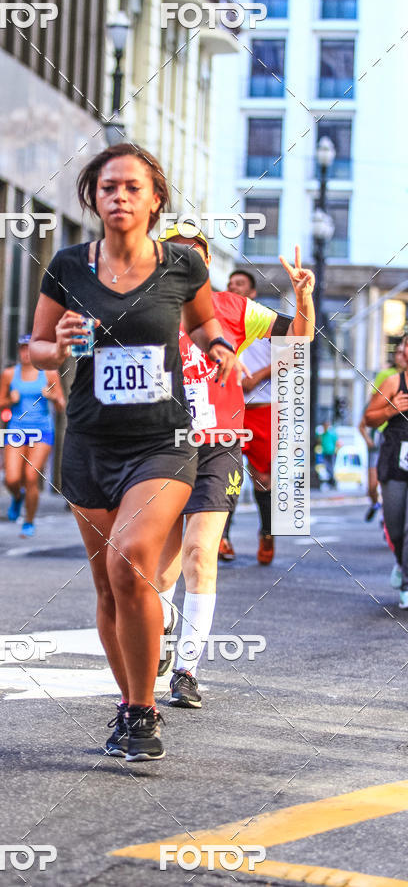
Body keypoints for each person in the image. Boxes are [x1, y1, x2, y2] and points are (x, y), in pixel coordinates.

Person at [29, 143, 244, 761]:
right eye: (107, 188)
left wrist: (222, 349)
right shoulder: (69, 266)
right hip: (91, 444)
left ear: (155, 199)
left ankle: (144, 711)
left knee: (130, 561)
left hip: (163, 443)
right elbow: (36, 347)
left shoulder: (182, 266)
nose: (118, 197)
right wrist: (59, 344)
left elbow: (206, 326)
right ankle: (129, 703)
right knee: (107, 586)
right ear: (92, 199)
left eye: (131, 187)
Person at [155, 231, 315, 708]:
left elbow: (297, 340)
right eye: (176, 256)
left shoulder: (235, 308)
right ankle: (161, 627)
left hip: (219, 447)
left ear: (208, 265)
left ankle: (186, 670)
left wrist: (303, 296)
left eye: (196, 258)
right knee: (160, 571)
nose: (186, 264)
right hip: (161, 447)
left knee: (200, 555)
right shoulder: (144, 306)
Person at [221, 270, 276, 564]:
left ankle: (267, 532)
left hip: (261, 408)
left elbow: (294, 353)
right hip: (229, 408)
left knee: (262, 478)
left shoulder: (264, 319)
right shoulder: (217, 318)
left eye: (240, 285)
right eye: (230, 285)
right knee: (226, 472)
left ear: (253, 293)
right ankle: (222, 537)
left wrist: (258, 376)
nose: (233, 288)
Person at [0, 334, 65, 537]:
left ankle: (29, 521)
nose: (26, 353)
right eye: (22, 349)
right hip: (16, 429)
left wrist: (52, 396)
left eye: (29, 349)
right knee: (11, 478)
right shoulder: (9, 374)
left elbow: (61, 405)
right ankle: (18, 497)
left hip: (41, 430)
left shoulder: (50, 374)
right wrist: (10, 399)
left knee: (31, 476)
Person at [365, 337, 408, 609]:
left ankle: (406, 581)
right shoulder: (394, 382)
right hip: (395, 459)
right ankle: (402, 561)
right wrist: (392, 408)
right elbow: (368, 417)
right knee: (394, 525)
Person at [359, 339, 407, 523]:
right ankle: (378, 504)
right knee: (373, 485)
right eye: (398, 352)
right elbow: (372, 408)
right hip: (384, 434)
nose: (401, 356)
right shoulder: (387, 377)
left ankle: (387, 512)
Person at [320, 421, 339, 487]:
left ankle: (332, 480)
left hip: (331, 452)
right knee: (327, 466)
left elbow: (337, 442)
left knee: (330, 466)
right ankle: (332, 479)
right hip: (325, 452)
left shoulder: (332, 434)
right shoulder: (322, 435)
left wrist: (336, 450)